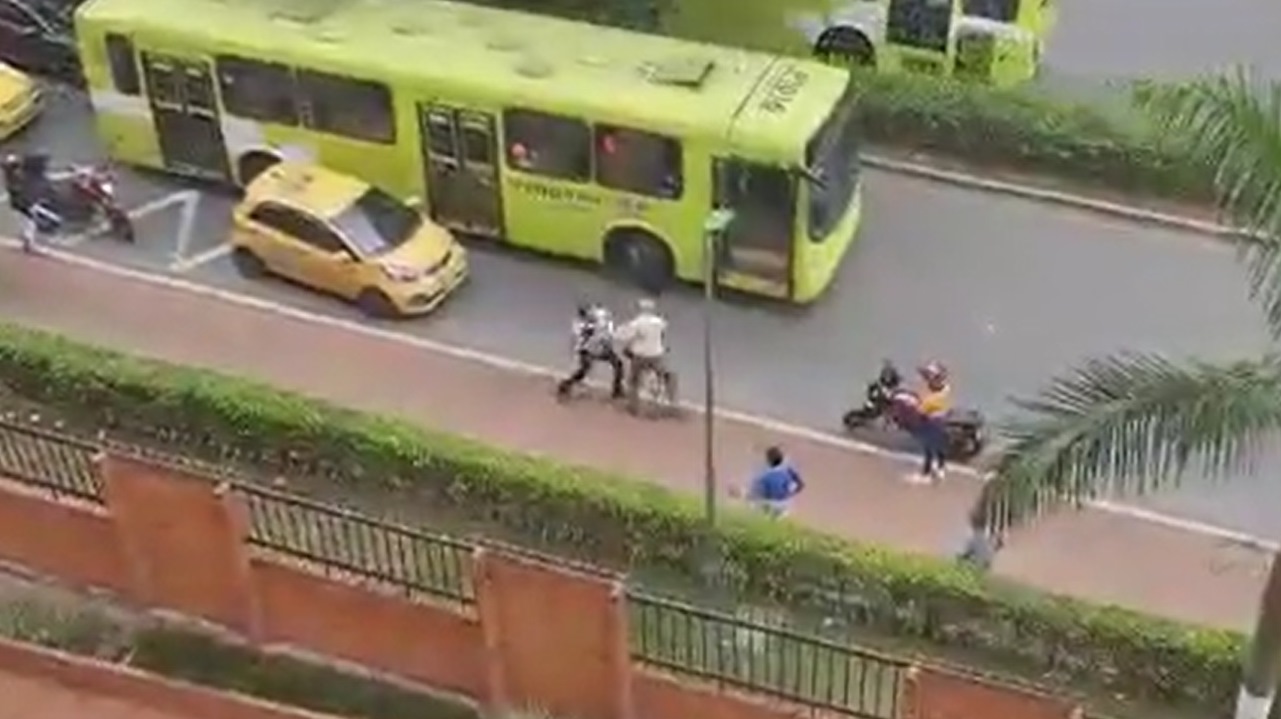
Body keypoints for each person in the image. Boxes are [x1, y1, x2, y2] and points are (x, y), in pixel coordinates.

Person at [614, 297, 675, 413]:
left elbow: (624, 335)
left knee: (633, 381)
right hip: (657, 355)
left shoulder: (637, 323)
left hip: (640, 356)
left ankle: (633, 407)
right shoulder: (659, 322)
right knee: (665, 374)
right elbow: (663, 331)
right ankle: (669, 398)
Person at [556, 302, 624, 400]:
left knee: (618, 365)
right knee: (584, 370)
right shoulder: (580, 324)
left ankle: (617, 390)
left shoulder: (595, 321)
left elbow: (605, 329)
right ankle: (565, 385)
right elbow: (581, 336)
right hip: (587, 349)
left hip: (599, 348)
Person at [910, 361, 953, 484]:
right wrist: (925, 373)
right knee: (940, 447)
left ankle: (926, 473)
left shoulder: (931, 400)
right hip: (942, 420)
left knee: (929, 448)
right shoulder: (946, 390)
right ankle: (941, 468)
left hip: (931, 423)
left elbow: (920, 411)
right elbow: (936, 380)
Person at [744, 446, 805, 518]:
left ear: (768, 460)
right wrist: (790, 494)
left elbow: (760, 493)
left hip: (770, 505)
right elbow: (801, 485)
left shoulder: (765, 475)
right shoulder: (788, 470)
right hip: (786, 504)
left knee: (751, 497)